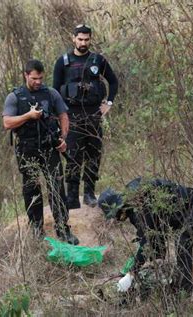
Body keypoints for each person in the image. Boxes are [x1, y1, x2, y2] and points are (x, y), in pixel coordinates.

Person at [3, 59, 79, 245]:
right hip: (27, 150)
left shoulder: (51, 93)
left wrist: (63, 138)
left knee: (57, 188)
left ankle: (63, 229)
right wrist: (28, 116)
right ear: (26, 75)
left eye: (41, 78)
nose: (38, 82)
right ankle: (36, 227)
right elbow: (7, 123)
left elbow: (63, 115)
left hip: (49, 148)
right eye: (34, 78)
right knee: (32, 189)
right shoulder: (15, 97)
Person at [98, 177, 193, 295]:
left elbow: (146, 243)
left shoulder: (140, 203)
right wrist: (157, 263)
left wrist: (132, 273)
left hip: (191, 207)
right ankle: (167, 283)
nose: (117, 218)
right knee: (158, 252)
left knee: (182, 245)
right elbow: (152, 238)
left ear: (120, 207)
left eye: (116, 214)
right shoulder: (133, 209)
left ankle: (185, 292)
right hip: (176, 215)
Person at [53, 24, 119, 209]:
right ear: (73, 38)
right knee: (73, 157)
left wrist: (109, 103)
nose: (83, 43)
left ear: (90, 39)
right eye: (80, 39)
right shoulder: (63, 62)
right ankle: (72, 197)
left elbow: (113, 82)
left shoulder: (98, 60)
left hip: (93, 115)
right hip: (72, 116)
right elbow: (55, 91)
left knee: (93, 155)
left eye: (86, 39)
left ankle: (89, 194)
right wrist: (59, 117)